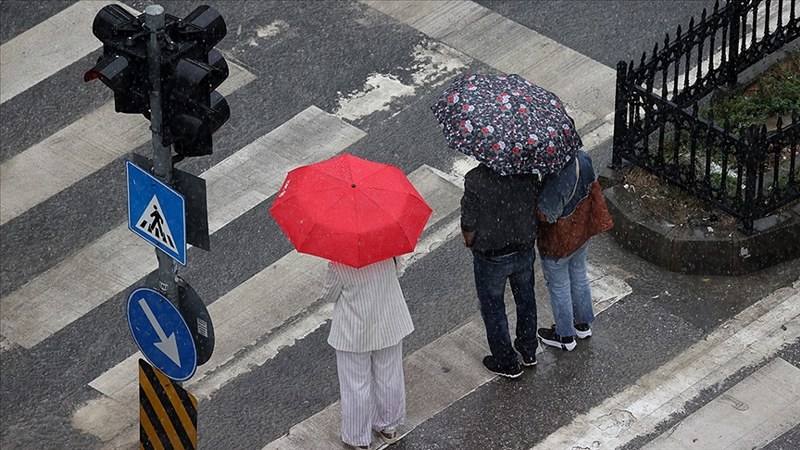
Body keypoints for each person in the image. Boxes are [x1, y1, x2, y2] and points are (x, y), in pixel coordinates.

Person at [320, 256, 414, 450]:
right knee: (389, 376)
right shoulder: (390, 252)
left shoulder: (339, 264)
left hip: (354, 331)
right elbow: (399, 271)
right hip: (389, 321)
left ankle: (358, 437)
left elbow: (329, 295)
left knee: (355, 384)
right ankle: (388, 427)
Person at [461, 163, 541, 379]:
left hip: (492, 255)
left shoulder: (475, 180)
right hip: (524, 247)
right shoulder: (527, 171)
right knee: (526, 300)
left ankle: (506, 361)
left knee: (493, 307)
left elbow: (469, 225)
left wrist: (472, 244)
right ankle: (528, 350)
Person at [535, 149, 614, 351]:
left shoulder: (557, 177)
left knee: (559, 286)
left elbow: (548, 214)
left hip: (559, 242)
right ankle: (582, 324)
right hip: (580, 233)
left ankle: (565, 336)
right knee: (579, 276)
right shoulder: (583, 158)